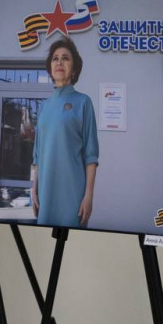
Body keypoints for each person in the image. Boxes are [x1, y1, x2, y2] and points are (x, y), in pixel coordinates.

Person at [31, 37, 99, 228]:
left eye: (65, 58)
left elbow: (91, 156)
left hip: (73, 195)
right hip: (45, 192)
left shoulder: (83, 102)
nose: (59, 62)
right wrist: (34, 190)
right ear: (50, 68)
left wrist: (88, 196)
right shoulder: (44, 107)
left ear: (74, 69)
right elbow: (37, 156)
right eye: (55, 58)